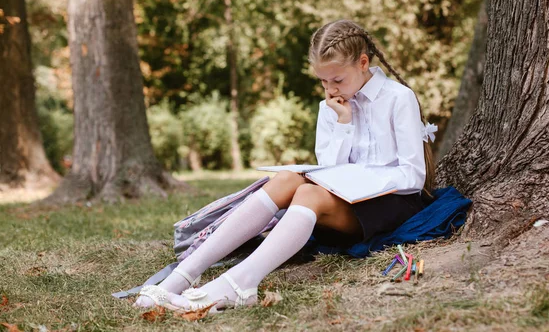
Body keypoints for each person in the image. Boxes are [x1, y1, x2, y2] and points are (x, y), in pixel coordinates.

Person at [135, 19, 436, 312]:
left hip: (394, 203)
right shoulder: (330, 107)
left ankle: (242, 284)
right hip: (345, 203)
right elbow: (329, 169)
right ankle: (184, 274)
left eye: (338, 80)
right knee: (285, 179)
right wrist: (343, 123)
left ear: (362, 62)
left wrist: (365, 182)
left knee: (308, 195)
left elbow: (412, 175)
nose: (330, 89)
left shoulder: (399, 98)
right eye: (323, 80)